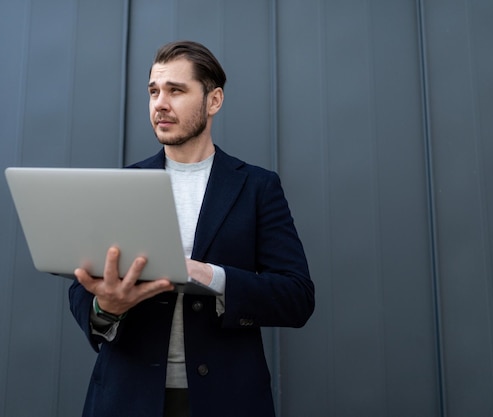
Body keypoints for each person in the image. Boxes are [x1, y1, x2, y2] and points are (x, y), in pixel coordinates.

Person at [69, 40, 315, 417]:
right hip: (126, 399)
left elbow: (297, 296)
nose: (159, 104)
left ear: (213, 101)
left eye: (176, 91)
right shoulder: (122, 184)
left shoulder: (256, 187)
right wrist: (106, 307)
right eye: (153, 91)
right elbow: (82, 289)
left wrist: (209, 275)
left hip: (228, 399)